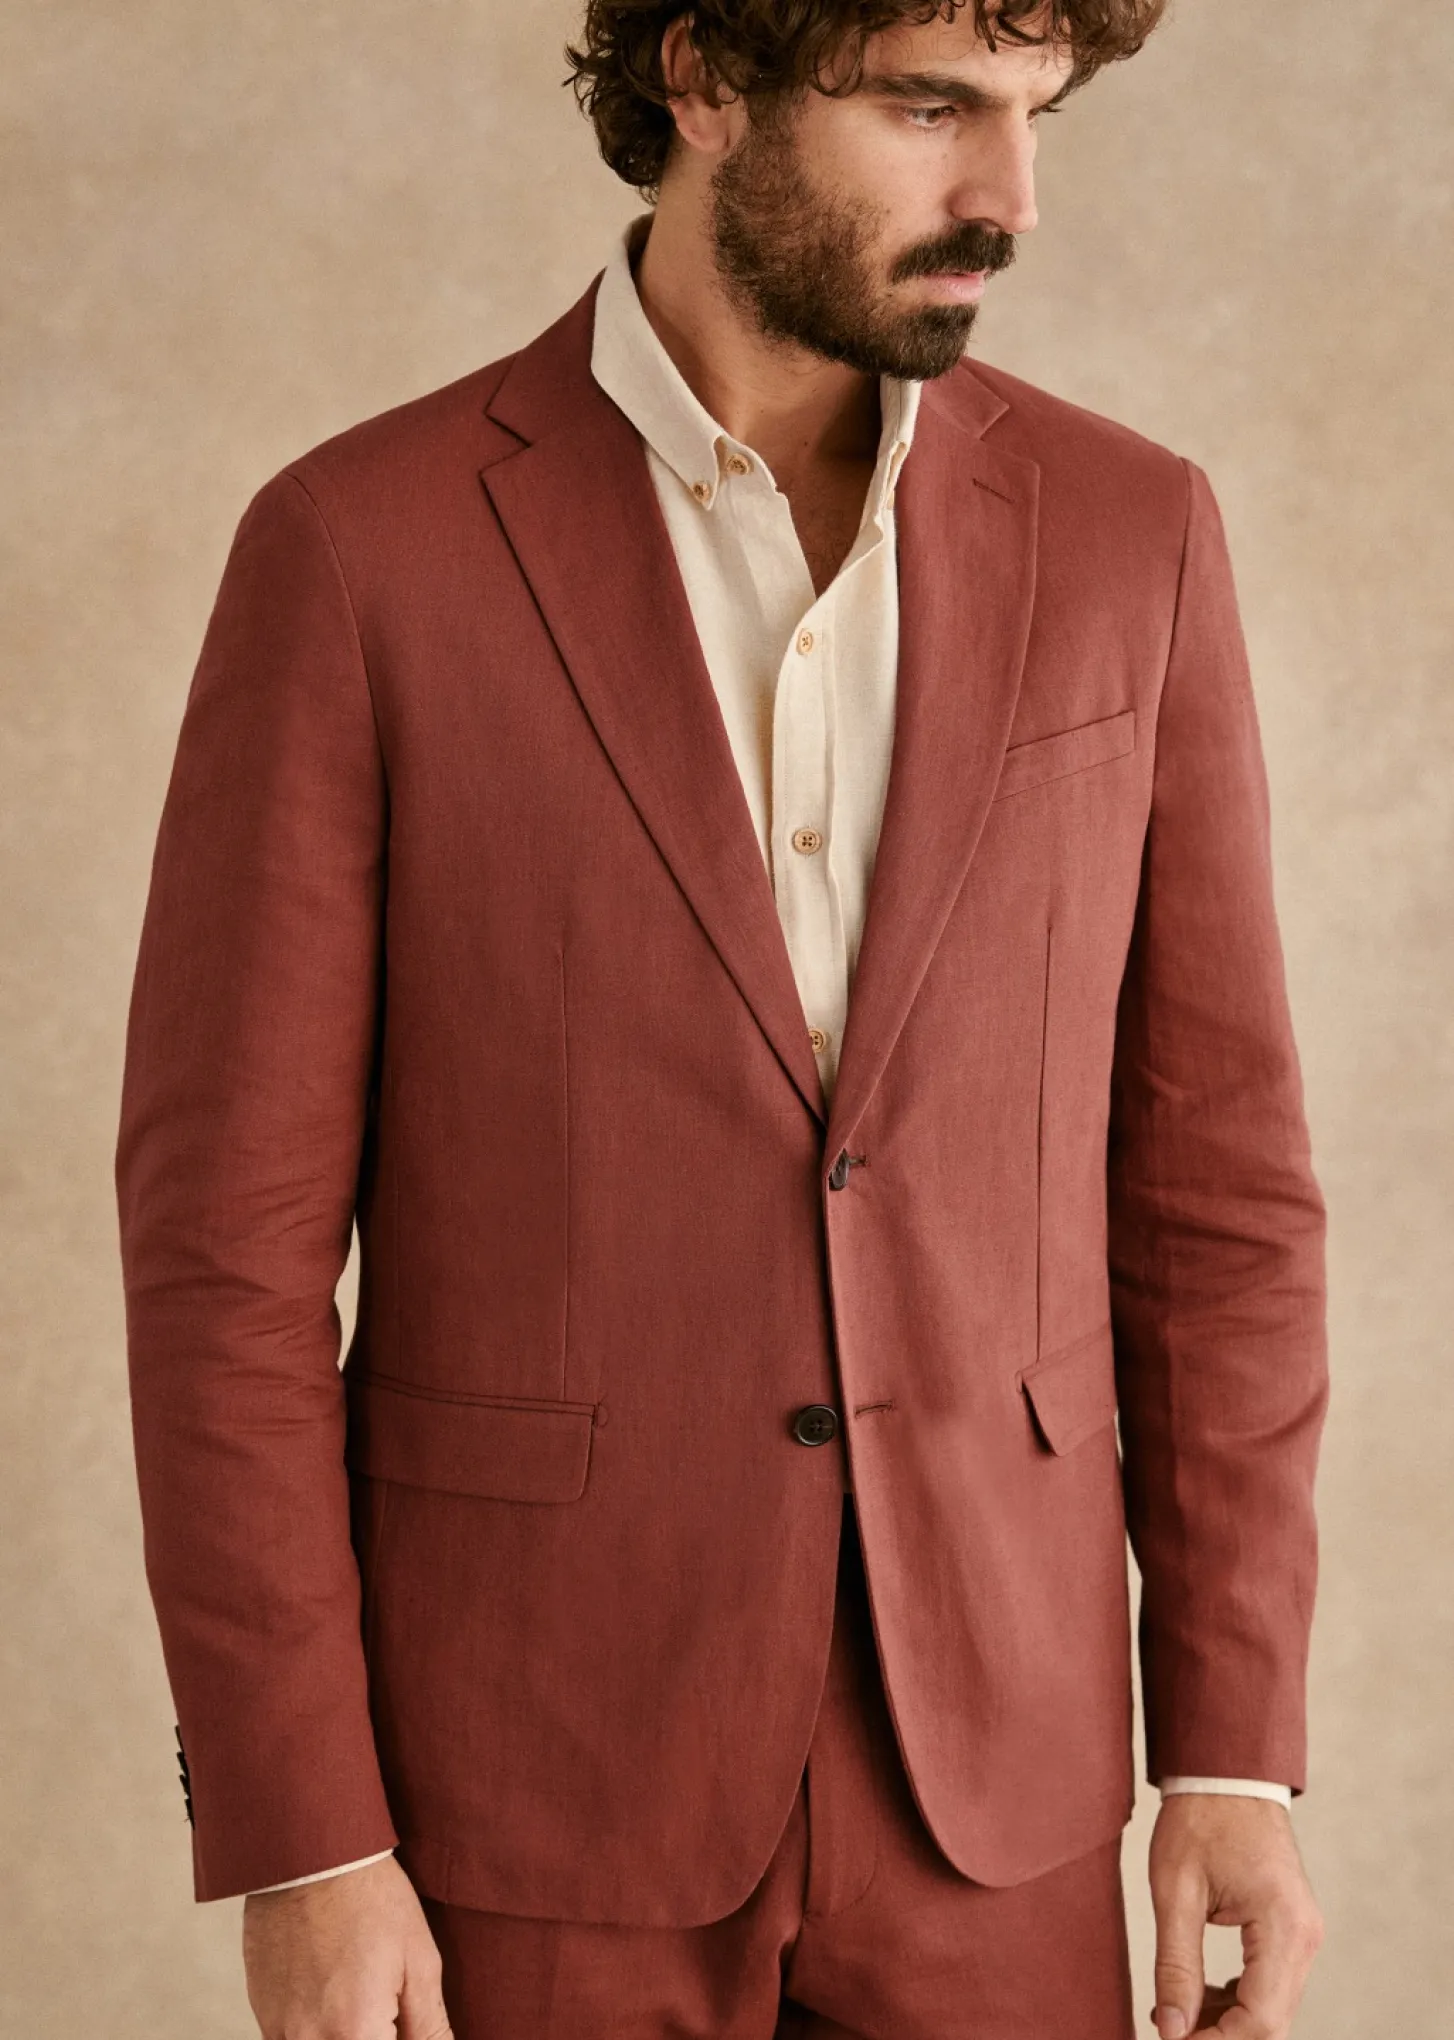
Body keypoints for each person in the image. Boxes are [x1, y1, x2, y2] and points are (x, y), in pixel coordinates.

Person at [115, 2, 1331, 2035]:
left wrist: (1231, 1752)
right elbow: (222, 1261)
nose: (1008, 196)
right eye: (928, 106)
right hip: (526, 1781)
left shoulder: (1134, 535)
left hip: (999, 1786)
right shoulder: (357, 550)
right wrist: (304, 1835)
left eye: (1033, 117)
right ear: (700, 81)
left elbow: (1217, 1203)